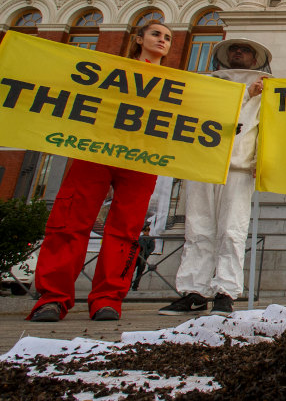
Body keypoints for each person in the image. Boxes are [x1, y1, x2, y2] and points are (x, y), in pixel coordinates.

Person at [28, 21, 174, 322]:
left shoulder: (174, 82)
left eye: (168, 38)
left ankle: (107, 299)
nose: (162, 40)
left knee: (127, 229)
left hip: (141, 157)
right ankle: (53, 297)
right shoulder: (110, 69)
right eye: (156, 34)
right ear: (138, 39)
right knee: (70, 220)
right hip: (95, 150)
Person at [159, 38, 272, 317]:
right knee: (197, 228)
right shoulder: (209, 85)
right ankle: (193, 291)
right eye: (234, 49)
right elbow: (203, 114)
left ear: (255, 58)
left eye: (245, 50)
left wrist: (262, 160)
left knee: (232, 230)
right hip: (203, 162)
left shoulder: (269, 89)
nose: (238, 53)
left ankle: (226, 292)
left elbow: (271, 129)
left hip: (239, 166)